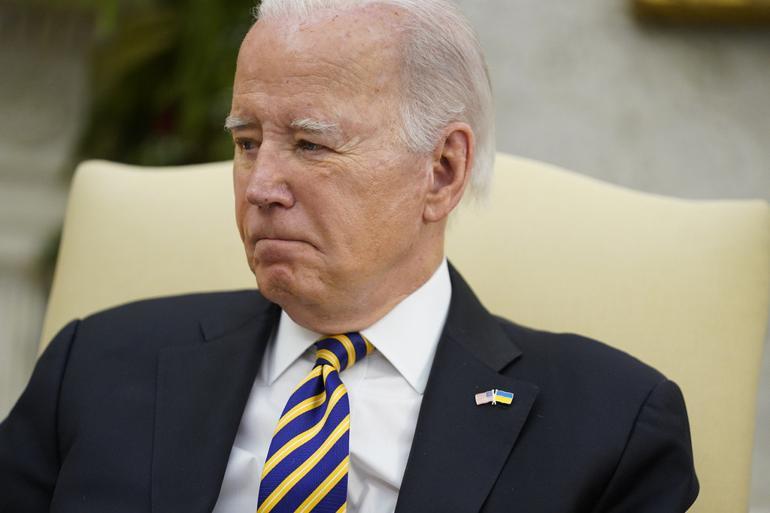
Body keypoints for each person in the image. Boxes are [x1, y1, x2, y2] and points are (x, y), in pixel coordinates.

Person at [0, 0, 699, 511]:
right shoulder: (95, 366)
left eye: (311, 144)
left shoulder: (611, 426)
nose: (262, 186)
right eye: (247, 142)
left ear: (443, 171)